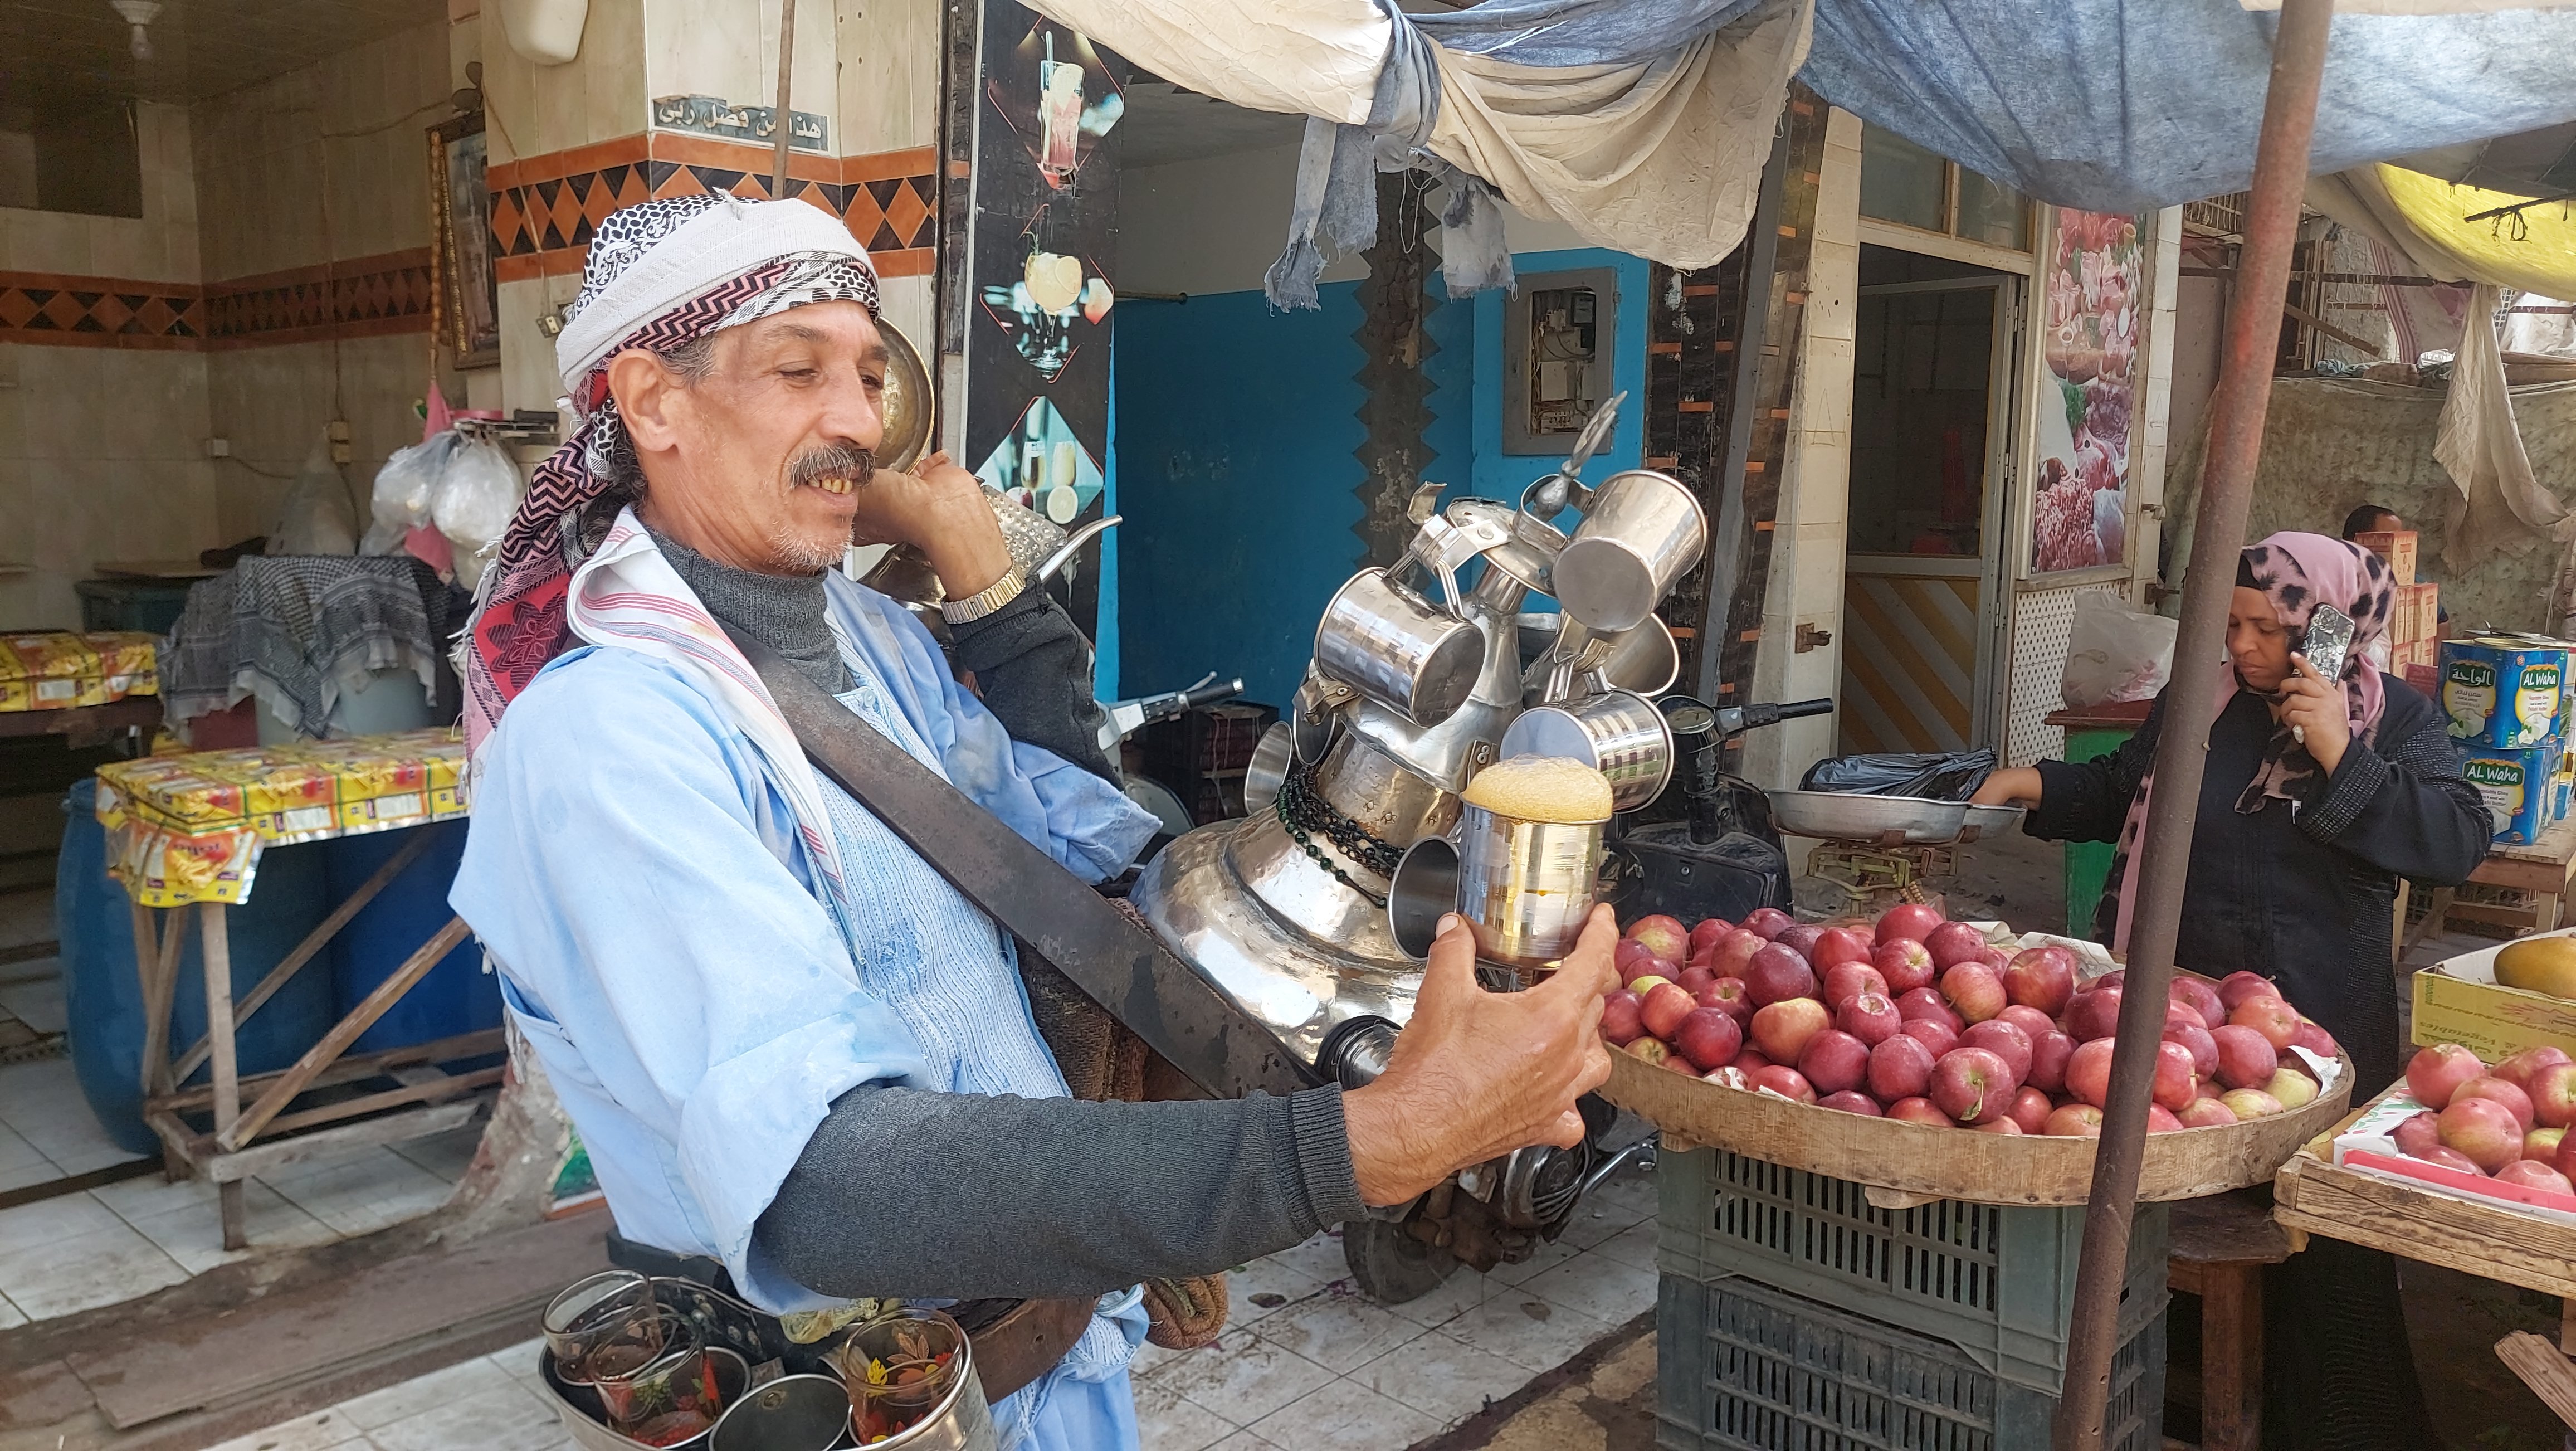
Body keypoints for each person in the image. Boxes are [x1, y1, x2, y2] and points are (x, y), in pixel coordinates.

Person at [450, 195, 1616, 1451]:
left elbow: (1067, 859)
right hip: (857, 1412)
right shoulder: (610, 743)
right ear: (653, 402)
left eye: (862, 372)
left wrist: (985, 584)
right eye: (795, 370)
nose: (853, 420)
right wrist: (1358, 1147)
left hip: (1051, 1375)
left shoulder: (869, 639)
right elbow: (826, 1186)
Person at [1973, 530, 2489, 1451]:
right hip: (2186, 1021)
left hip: (2323, 1036)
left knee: (2321, 1256)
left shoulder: (2397, 721)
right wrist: (2028, 784)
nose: (2241, 647)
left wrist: (2338, 750)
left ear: (2325, 628)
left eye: (2265, 627)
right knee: (2167, 1224)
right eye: (2230, 625)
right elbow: (2126, 790)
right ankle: (2166, 1410)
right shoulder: (2199, 704)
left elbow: (2453, 841)